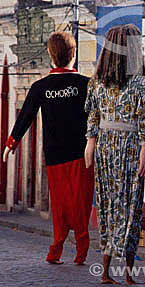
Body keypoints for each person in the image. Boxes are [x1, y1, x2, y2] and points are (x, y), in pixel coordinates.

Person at [2, 31, 94, 265]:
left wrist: (11, 143)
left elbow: (25, 117)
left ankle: (56, 250)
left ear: (51, 56)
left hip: (54, 155)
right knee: (81, 202)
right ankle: (81, 252)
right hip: (83, 154)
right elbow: (98, 117)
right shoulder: (86, 85)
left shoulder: (41, 86)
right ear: (73, 55)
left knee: (60, 204)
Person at [84, 24, 145, 285]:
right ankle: (126, 272)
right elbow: (144, 119)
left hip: (105, 146)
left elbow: (92, 114)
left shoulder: (96, 82)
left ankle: (106, 270)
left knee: (107, 205)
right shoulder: (141, 83)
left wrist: (91, 142)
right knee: (130, 206)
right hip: (129, 146)